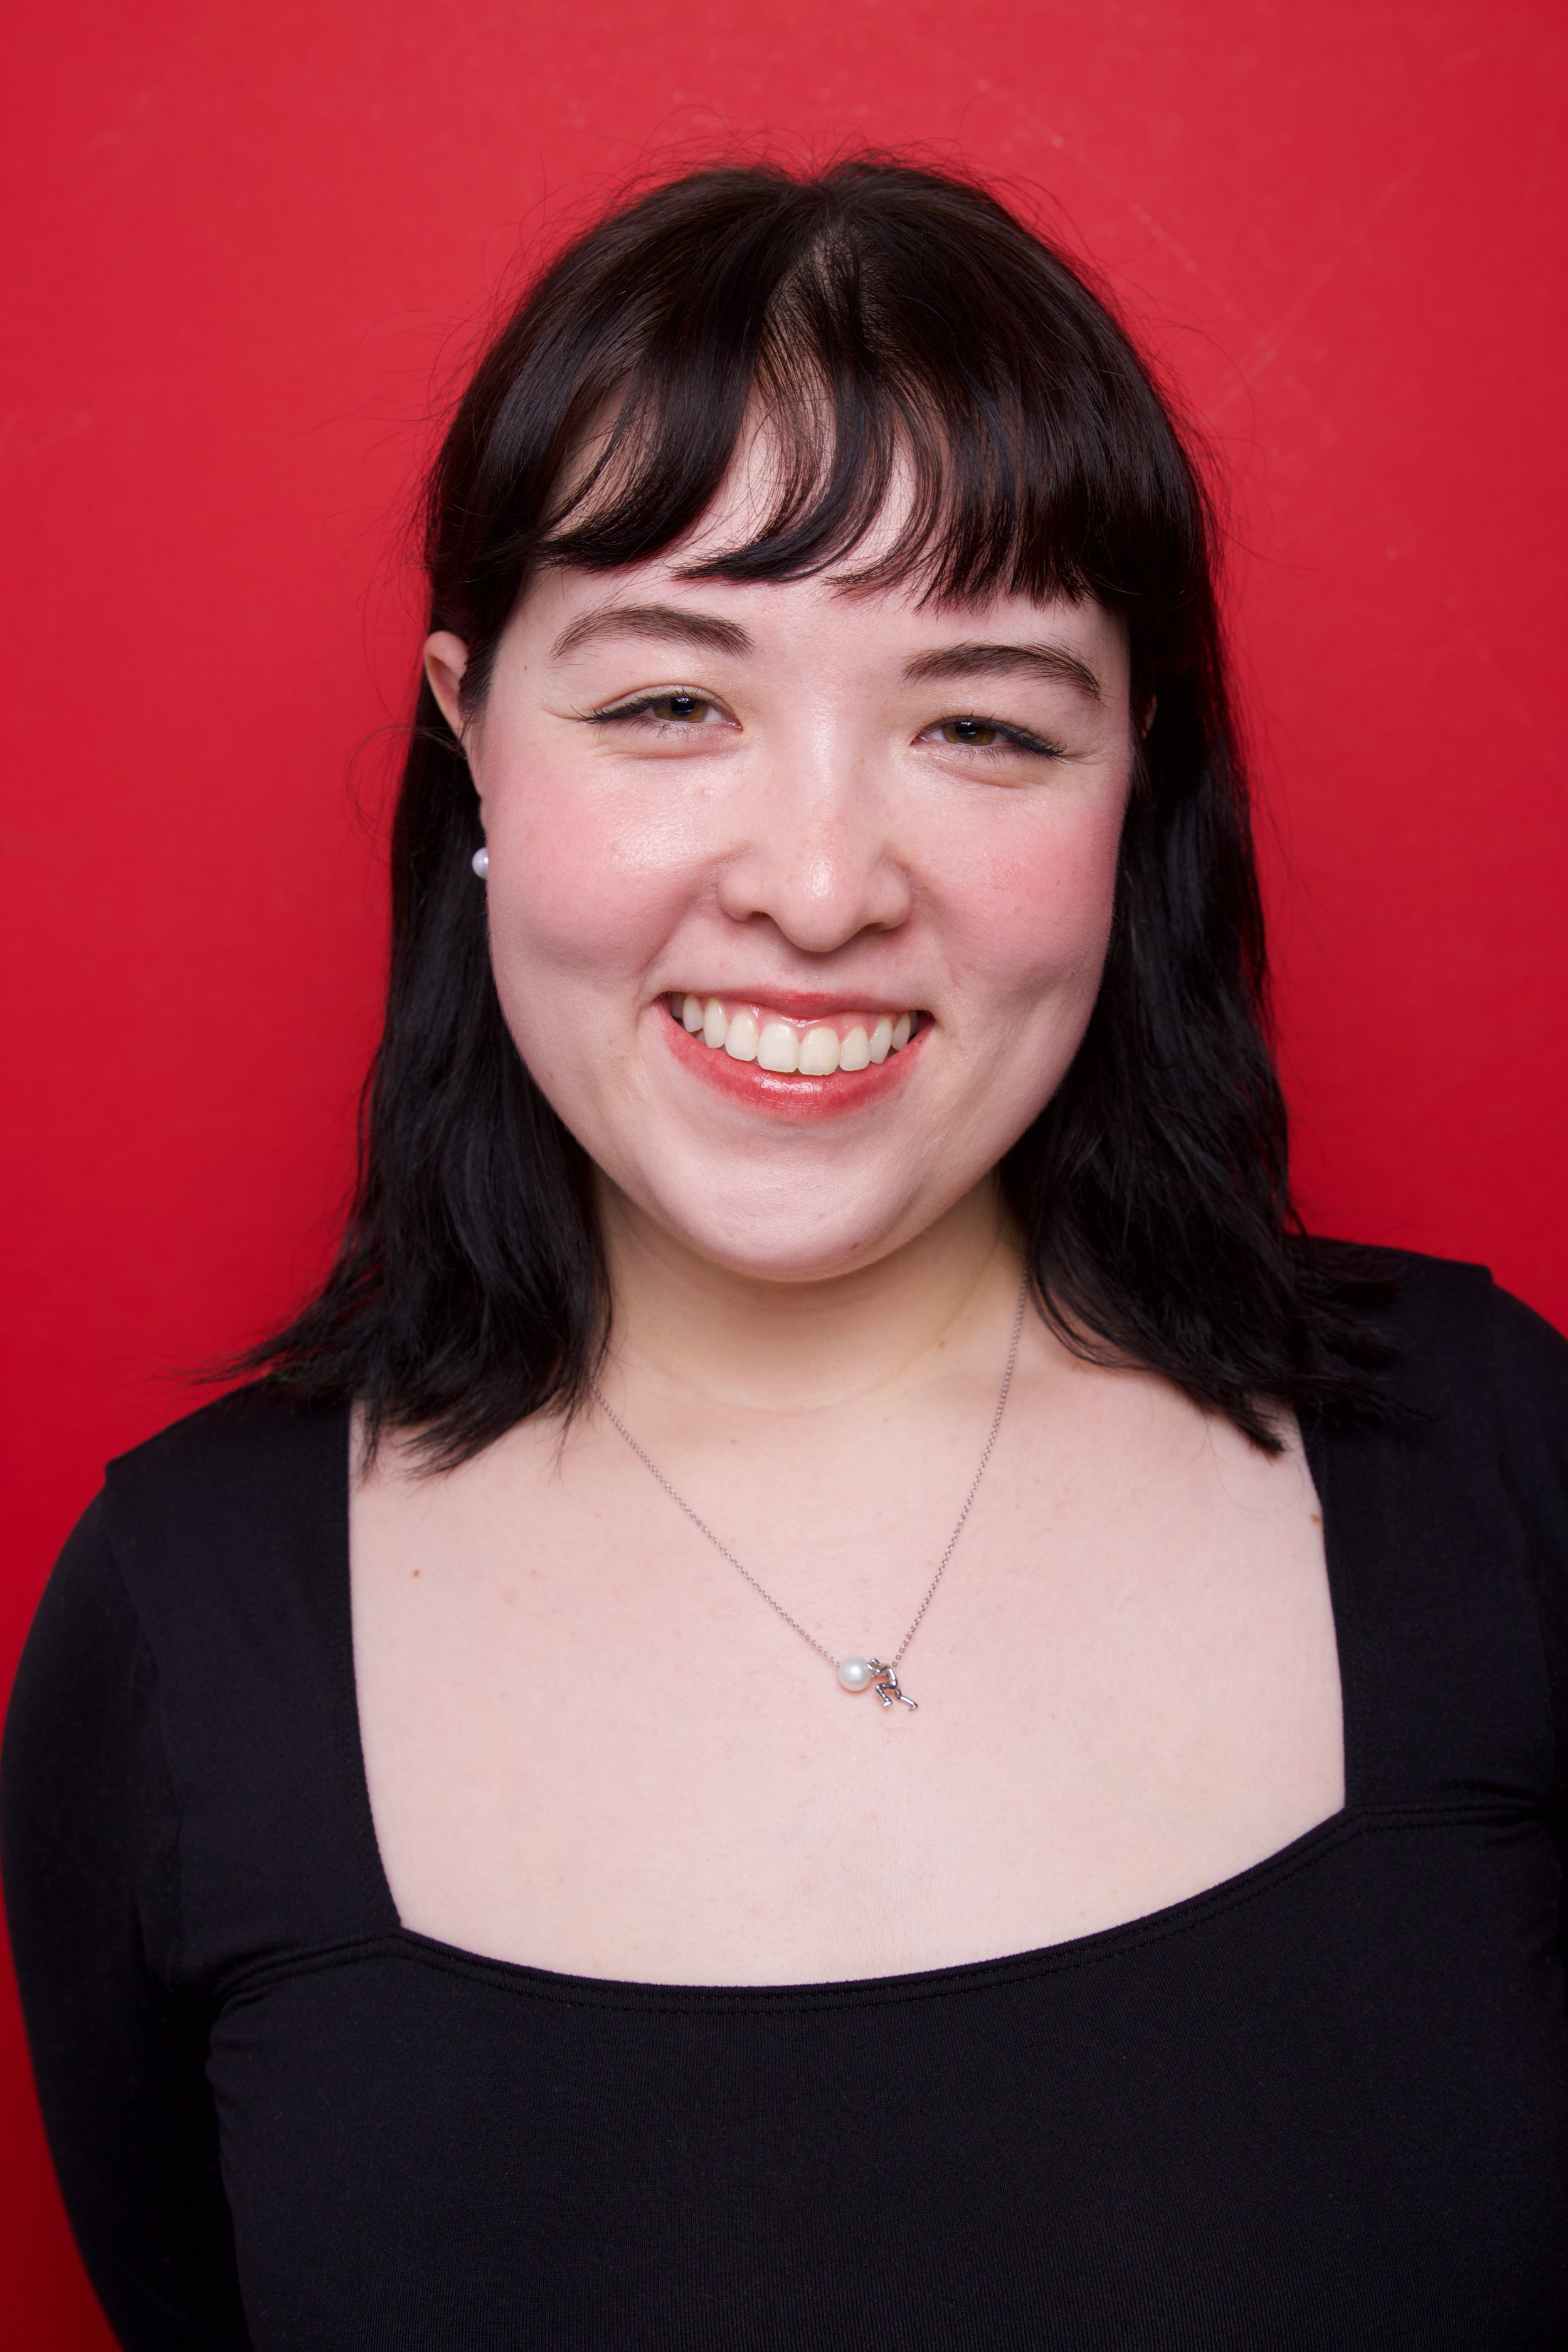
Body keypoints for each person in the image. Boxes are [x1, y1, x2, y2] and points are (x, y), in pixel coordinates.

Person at [4, 157, 1565, 2352]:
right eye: (667, 704)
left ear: (1138, 777)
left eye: (985, 724)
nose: (822, 885)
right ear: (467, 734)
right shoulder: (182, 1635)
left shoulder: (1489, 1471)